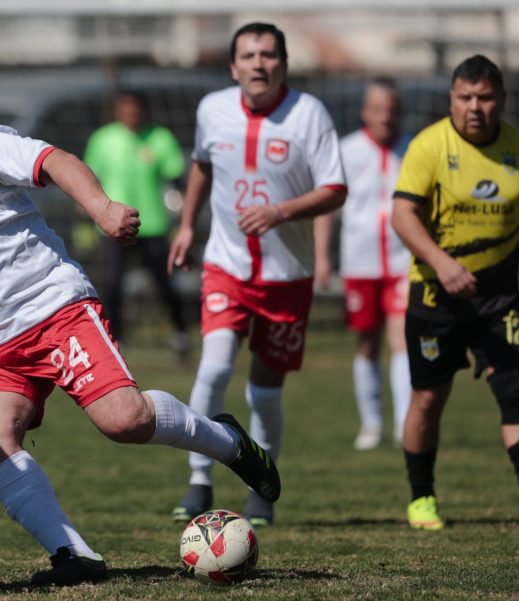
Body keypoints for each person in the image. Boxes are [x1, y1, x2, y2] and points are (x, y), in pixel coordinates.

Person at [0, 66, 281, 586]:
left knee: (123, 420)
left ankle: (228, 442)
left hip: (53, 310)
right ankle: (74, 555)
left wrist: (102, 208)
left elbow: (53, 160)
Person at [167, 22, 347, 526]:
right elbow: (201, 166)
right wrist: (186, 227)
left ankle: (261, 486)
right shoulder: (212, 110)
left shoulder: (309, 115)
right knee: (215, 367)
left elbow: (336, 189)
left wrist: (281, 211)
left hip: (288, 276)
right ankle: (199, 478)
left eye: (268, 55)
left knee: (265, 389)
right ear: (233, 66)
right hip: (227, 266)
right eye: (248, 55)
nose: (258, 64)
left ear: (283, 64)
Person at [391, 55, 519, 530]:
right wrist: (443, 264)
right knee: (428, 397)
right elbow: (402, 217)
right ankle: (421, 498)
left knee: (517, 392)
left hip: (497, 297)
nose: (475, 107)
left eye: (484, 98)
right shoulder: (429, 146)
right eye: (465, 97)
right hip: (435, 296)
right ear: (452, 98)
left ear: (501, 101)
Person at [315, 78, 412, 450]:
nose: (385, 116)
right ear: (365, 111)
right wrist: (323, 256)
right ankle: (371, 424)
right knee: (367, 343)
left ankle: (405, 423)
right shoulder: (346, 151)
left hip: (405, 262)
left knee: (402, 339)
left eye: (392, 109)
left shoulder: (414, 148)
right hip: (360, 263)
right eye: (378, 109)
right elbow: (327, 207)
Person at [83, 91, 189, 359]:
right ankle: (117, 340)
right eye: (125, 108)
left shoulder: (160, 138)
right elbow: (88, 179)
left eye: (135, 108)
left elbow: (176, 177)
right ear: (118, 111)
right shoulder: (103, 139)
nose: (130, 113)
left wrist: (187, 214)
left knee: (164, 283)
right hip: (112, 226)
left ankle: (181, 335)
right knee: (113, 282)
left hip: (151, 223)